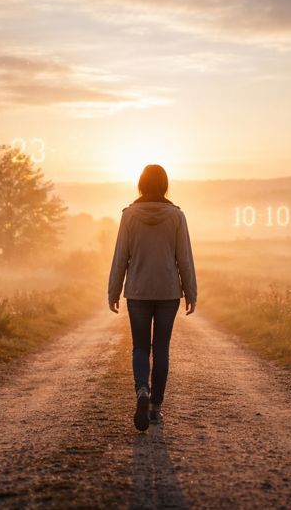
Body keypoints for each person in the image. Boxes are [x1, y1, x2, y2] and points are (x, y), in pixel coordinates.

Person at [108, 164, 197, 431]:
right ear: (165, 184)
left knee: (139, 347)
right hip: (168, 292)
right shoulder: (177, 216)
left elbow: (120, 257)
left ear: (141, 184)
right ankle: (156, 407)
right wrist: (191, 292)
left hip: (137, 291)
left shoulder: (128, 215)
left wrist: (113, 291)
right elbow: (185, 259)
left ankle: (142, 391)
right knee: (161, 349)